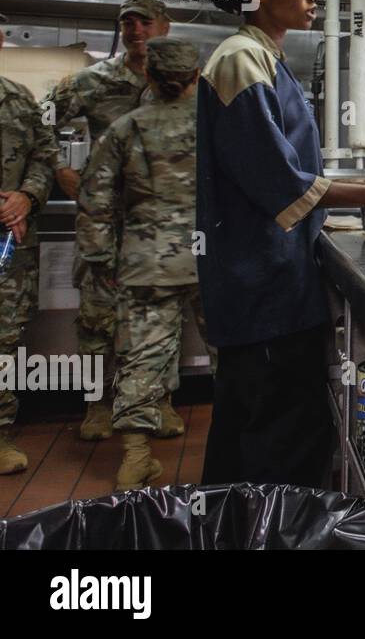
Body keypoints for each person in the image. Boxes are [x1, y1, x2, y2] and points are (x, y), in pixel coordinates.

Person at [197, 0, 365, 487]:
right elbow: (280, 183)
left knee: (250, 435)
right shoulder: (241, 60)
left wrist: (362, 186)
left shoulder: (265, 57)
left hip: (270, 285)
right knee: (279, 441)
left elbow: (289, 173)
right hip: (262, 290)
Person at [77, 37, 209, 489]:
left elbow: (93, 200)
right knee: (232, 356)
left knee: (140, 359)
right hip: (211, 261)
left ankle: (135, 459)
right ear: (196, 77)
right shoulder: (219, 127)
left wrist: (100, 261)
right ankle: (236, 451)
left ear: (149, 77)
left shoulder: (126, 128)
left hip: (144, 261)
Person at [47, 0, 172, 441]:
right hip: (106, 219)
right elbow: (38, 120)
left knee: (159, 313)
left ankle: (158, 400)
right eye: (127, 23)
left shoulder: (180, 83)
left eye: (145, 22)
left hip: (162, 224)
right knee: (98, 317)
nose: (136, 30)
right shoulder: (93, 82)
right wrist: (60, 168)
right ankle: (96, 405)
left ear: (164, 28)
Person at [0, 21, 59, 475]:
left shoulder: (19, 99)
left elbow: (44, 154)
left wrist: (28, 195)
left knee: (4, 340)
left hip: (10, 241)